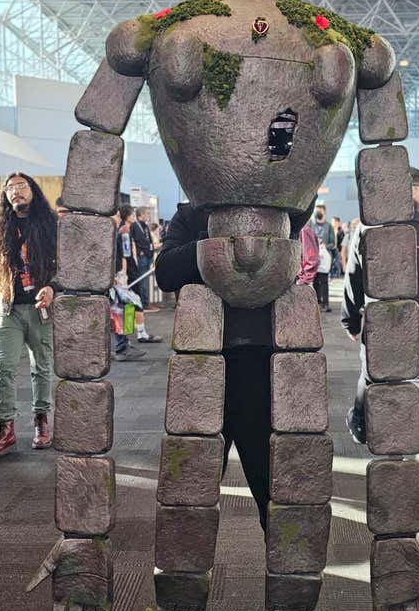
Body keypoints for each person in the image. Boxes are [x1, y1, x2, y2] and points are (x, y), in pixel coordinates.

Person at [155, 201, 314, 531]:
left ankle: (285, 572)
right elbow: (166, 272)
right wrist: (216, 248)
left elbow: (300, 210)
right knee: (191, 488)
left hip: (264, 363)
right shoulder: (190, 214)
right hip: (203, 363)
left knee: (275, 490)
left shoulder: (275, 212)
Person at [342, 167, 419, 472]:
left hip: (382, 314)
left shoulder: (369, 227)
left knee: (370, 371)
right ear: (415, 190)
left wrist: (351, 321)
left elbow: (353, 277)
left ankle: (361, 425)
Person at [0, 174, 57, 459]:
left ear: (33, 190)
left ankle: (41, 422)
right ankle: (6, 428)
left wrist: (52, 287)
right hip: (7, 307)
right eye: (10, 188)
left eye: (21, 186)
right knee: (4, 369)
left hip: (40, 309)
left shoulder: (50, 224)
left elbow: (66, 265)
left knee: (42, 367)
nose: (16, 192)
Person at [118, 205, 161, 348]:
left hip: (129, 271)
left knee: (130, 304)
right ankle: (140, 333)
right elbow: (126, 254)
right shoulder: (124, 231)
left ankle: (128, 333)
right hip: (129, 273)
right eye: (131, 214)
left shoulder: (127, 230)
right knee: (135, 302)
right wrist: (124, 274)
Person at [132, 208, 159, 312]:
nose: (148, 215)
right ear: (141, 215)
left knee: (145, 281)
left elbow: (148, 240)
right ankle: (144, 303)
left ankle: (146, 302)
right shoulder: (135, 226)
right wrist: (144, 250)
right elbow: (140, 241)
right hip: (142, 257)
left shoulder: (145, 226)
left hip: (147, 256)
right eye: (147, 213)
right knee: (142, 281)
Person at [310, 204, 335, 312]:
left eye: (320, 210)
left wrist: (325, 245)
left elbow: (333, 243)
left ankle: (325, 303)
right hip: (314, 256)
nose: (318, 211)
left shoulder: (329, 226)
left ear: (324, 212)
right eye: (317, 210)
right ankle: (317, 302)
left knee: (324, 281)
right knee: (315, 280)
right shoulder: (311, 225)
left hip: (325, 258)